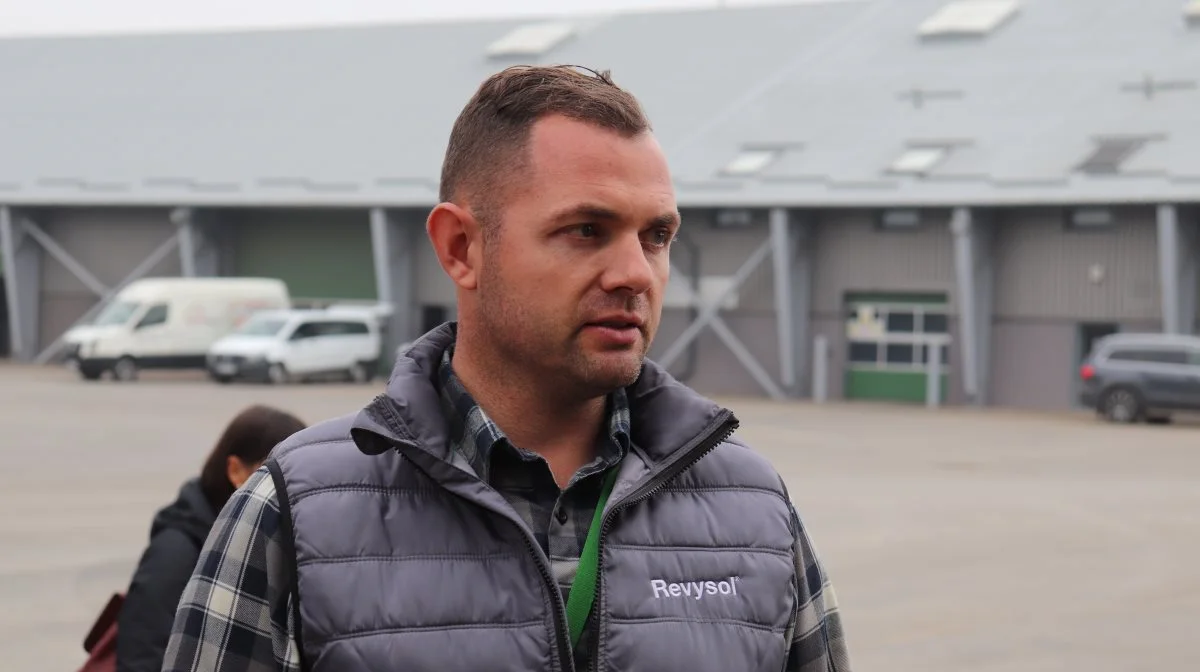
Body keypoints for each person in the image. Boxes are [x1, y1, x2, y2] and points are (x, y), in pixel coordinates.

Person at [162, 65, 851, 672]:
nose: (636, 274)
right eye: (586, 230)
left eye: (657, 236)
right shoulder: (295, 515)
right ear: (461, 247)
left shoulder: (754, 511)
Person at [115, 405, 306, 672]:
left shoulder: (263, 544)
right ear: (236, 470)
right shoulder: (177, 551)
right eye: (277, 475)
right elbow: (141, 654)